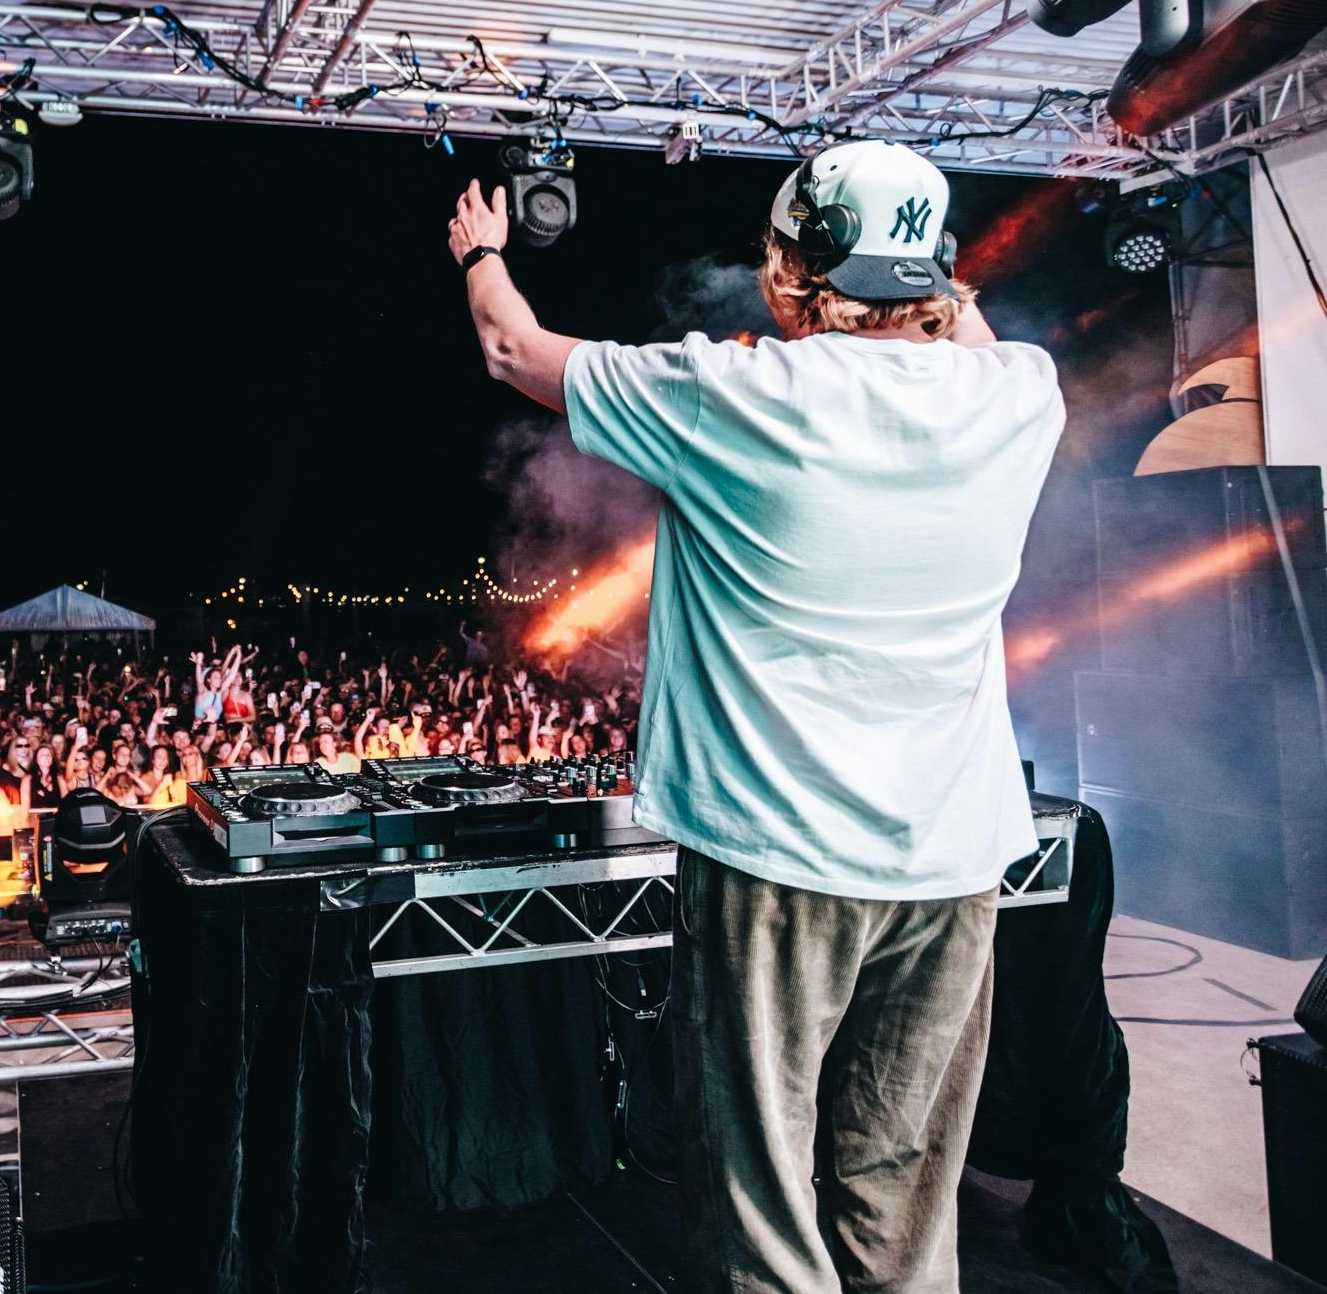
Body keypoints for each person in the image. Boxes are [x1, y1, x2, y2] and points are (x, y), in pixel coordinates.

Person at [448, 139, 1065, 1294]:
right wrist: (933, 274)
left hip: (778, 863)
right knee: (908, 1184)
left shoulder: (732, 395)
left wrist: (482, 253)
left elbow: (511, 347)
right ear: (934, 269)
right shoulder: (1021, 392)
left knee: (761, 1199)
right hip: (953, 864)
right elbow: (965, 329)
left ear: (793, 270)